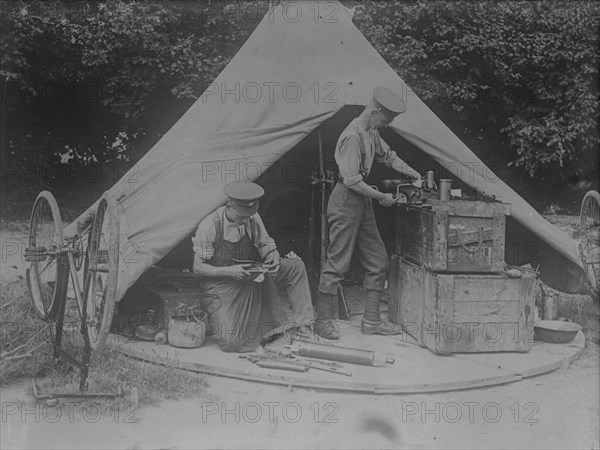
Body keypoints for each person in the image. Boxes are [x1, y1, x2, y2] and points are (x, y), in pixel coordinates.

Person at [315, 86, 422, 340]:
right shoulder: (352, 136)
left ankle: (372, 320)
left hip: (362, 202)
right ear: (375, 112)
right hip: (345, 201)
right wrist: (381, 196)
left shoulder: (370, 131)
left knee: (378, 261)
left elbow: (389, 157)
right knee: (337, 263)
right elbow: (351, 180)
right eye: (385, 120)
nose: (386, 125)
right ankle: (322, 321)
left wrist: (413, 173)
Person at [192, 181, 315, 352]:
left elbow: (266, 245)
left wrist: (273, 258)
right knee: (231, 343)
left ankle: (304, 325)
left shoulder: (251, 218)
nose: (244, 220)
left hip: (249, 277)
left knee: (295, 265)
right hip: (222, 286)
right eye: (241, 216)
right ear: (229, 205)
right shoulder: (210, 226)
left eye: (248, 215)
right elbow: (197, 268)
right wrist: (228, 271)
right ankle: (266, 332)